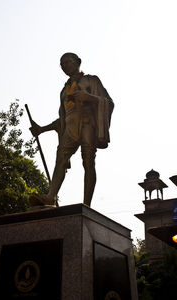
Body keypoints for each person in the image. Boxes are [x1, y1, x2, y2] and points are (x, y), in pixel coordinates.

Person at [30, 52, 114, 207]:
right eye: (62, 64)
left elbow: (108, 102)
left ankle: (87, 204)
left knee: (88, 161)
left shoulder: (91, 80)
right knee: (61, 158)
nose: (65, 66)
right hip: (70, 129)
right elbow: (62, 120)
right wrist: (42, 129)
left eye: (68, 62)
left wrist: (89, 97)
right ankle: (51, 196)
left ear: (78, 62)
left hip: (87, 123)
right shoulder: (63, 91)